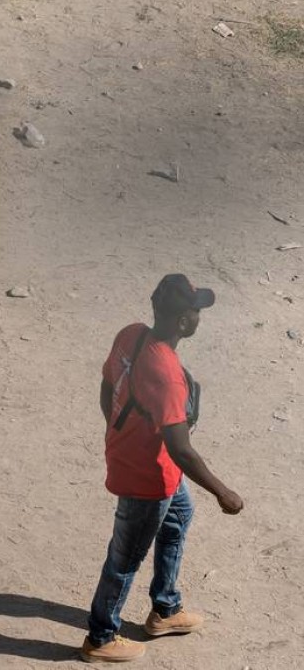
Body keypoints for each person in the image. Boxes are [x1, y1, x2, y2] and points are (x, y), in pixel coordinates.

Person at [80, 274, 244, 663]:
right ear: (184, 322)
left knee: (178, 518)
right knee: (124, 559)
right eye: (196, 310)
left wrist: (118, 431)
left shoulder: (132, 334)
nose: (199, 316)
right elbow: (181, 449)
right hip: (147, 479)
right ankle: (101, 636)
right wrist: (224, 492)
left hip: (150, 467)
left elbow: (107, 386)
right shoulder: (167, 374)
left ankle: (165, 610)